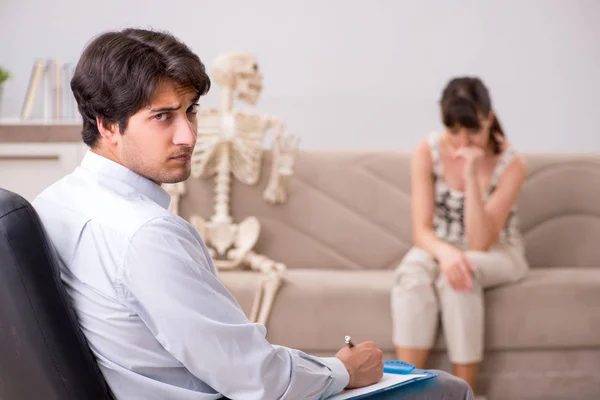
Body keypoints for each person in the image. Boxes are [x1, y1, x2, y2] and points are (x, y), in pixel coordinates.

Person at [32, 28, 473, 400]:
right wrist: (343, 371)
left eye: (191, 111)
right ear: (107, 123)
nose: (187, 135)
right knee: (447, 390)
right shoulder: (147, 235)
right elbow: (254, 380)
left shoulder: (51, 202)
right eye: (163, 117)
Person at [390, 76, 530, 395]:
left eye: (473, 130)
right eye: (454, 131)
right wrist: (447, 253)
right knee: (411, 272)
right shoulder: (427, 151)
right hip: (441, 245)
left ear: (488, 119)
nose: (463, 142)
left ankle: (465, 392)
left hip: (499, 251)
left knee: (460, 277)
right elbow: (422, 231)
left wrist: (470, 173)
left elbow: (480, 241)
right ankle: (405, 391)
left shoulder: (512, 163)